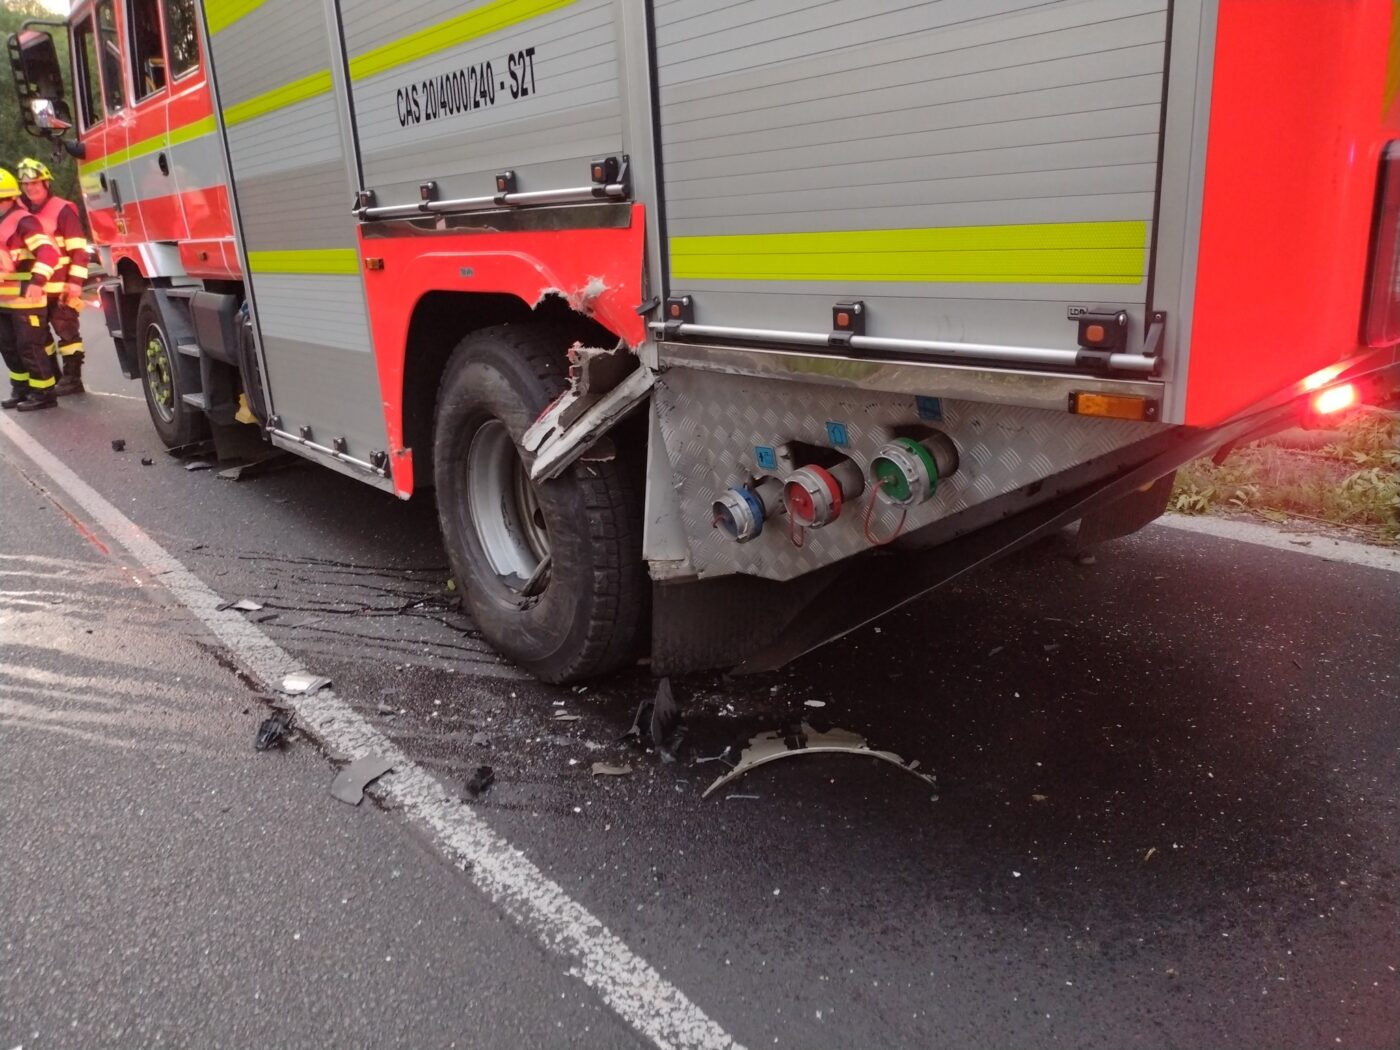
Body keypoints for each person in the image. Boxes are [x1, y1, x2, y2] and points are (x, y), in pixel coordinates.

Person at [18, 157, 89, 395]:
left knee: (68, 333)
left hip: (61, 287)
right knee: (40, 337)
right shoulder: (22, 212)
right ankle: (55, 375)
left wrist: (75, 283)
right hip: (35, 288)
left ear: (46, 183)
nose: (30, 188)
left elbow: (78, 249)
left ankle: (73, 379)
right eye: (25, 184)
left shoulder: (62, 209)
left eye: (35, 182)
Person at [0, 167, 60, 411]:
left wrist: (37, 281)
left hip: (26, 299)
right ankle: (22, 389)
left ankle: (44, 393)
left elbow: (48, 252)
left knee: (29, 348)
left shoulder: (23, 221)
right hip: (4, 300)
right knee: (9, 347)